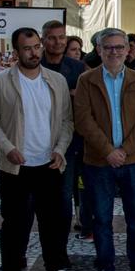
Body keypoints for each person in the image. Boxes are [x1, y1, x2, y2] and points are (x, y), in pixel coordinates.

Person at [0, 26, 79, 271]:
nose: (34, 52)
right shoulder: (1, 82)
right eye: (27, 48)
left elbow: (67, 121)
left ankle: (56, 269)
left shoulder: (56, 81)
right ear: (17, 52)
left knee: (54, 221)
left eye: (36, 46)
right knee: (14, 222)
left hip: (49, 164)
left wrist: (60, 149)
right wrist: (8, 148)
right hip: (15, 166)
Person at [73, 27, 135, 271]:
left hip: (133, 161)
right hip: (98, 162)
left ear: (128, 49)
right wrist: (108, 150)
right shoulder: (86, 80)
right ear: (98, 50)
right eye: (108, 47)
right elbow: (83, 121)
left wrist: (125, 150)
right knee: (101, 218)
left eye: (120, 47)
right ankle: (105, 269)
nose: (114, 52)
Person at [40, 19, 92, 239]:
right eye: (52, 38)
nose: (57, 42)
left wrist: (76, 96)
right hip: (40, 137)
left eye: (61, 37)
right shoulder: (34, 64)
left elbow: (90, 102)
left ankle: (63, 236)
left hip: (72, 140)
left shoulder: (79, 68)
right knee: (41, 196)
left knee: (67, 191)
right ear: (43, 41)